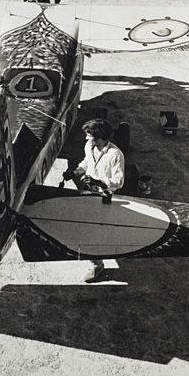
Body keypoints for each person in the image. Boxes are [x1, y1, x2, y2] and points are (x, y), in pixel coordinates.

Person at [65, 118, 125, 282]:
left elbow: (119, 181)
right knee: (85, 229)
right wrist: (75, 172)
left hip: (105, 197)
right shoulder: (89, 146)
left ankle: (97, 266)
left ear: (100, 137)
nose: (86, 139)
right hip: (89, 193)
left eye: (89, 136)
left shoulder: (115, 155)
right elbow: (87, 162)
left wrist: (99, 182)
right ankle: (95, 261)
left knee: (96, 233)